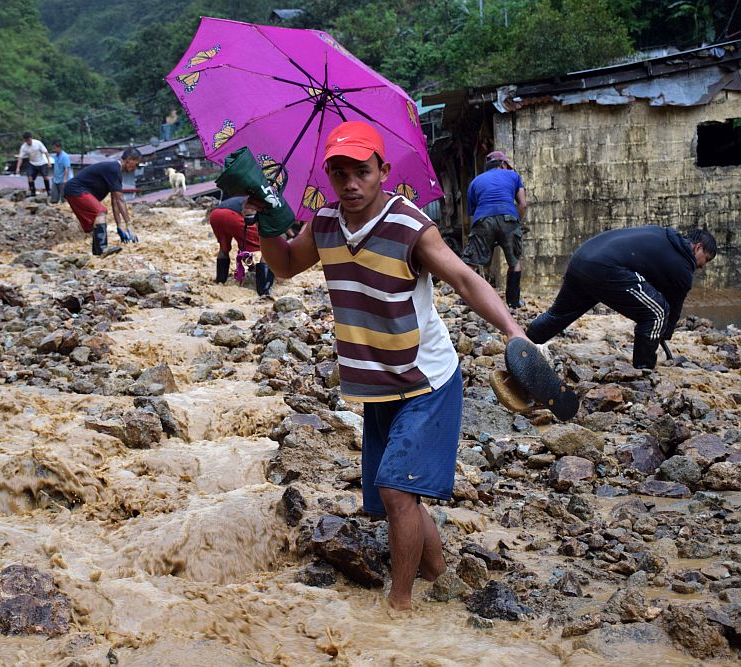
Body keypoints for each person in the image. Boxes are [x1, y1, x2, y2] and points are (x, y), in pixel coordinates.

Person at [253, 120, 528, 610]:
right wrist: (268, 222)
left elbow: (465, 280)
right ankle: (438, 573)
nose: (350, 184)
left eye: (361, 171)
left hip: (426, 379)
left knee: (396, 492)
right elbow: (285, 266)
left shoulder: (410, 226)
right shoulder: (323, 225)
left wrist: (514, 333)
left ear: (383, 171)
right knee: (398, 495)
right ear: (328, 177)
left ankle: (398, 609)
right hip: (376, 381)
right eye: (338, 173)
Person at [526, 225, 716, 369]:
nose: (702, 266)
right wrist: (664, 333)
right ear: (697, 247)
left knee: (560, 313)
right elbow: (672, 309)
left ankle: (523, 343)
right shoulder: (683, 268)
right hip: (606, 268)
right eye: (705, 259)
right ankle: (643, 371)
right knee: (658, 313)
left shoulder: (663, 235)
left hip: (582, 259)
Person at [462, 151, 527, 308]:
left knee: (472, 262)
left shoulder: (475, 182)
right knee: (514, 262)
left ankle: (467, 299)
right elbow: (523, 204)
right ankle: (513, 302)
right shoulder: (513, 176)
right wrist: (517, 223)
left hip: (483, 219)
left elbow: (472, 212)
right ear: (503, 164)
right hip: (508, 218)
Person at [63, 147, 141, 257]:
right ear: (129, 159)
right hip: (76, 189)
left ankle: (97, 253)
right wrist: (128, 224)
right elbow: (120, 200)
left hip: (75, 190)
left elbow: (115, 201)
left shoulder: (116, 172)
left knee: (98, 216)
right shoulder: (114, 169)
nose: (135, 168)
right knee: (100, 211)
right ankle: (102, 249)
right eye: (136, 164)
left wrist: (119, 226)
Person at [208, 196, 274, 295]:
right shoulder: (270, 206)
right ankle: (263, 291)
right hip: (233, 215)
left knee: (224, 249)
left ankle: (220, 281)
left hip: (215, 214)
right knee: (267, 246)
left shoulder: (253, 197)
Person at [15, 131, 50, 198]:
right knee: (30, 178)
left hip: (41, 162)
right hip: (32, 163)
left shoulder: (38, 143)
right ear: (25, 140)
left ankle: (48, 191)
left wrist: (48, 162)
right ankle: (33, 192)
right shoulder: (24, 147)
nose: (29, 142)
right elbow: (20, 158)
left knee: (45, 176)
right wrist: (18, 168)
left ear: (31, 138)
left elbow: (46, 152)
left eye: (29, 140)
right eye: (27, 141)